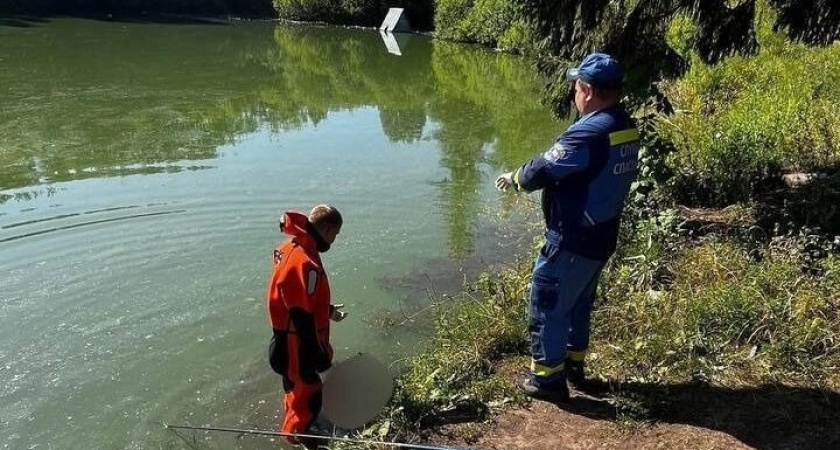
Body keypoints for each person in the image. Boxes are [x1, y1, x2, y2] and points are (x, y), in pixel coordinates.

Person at [495, 53, 640, 401]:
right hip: (601, 233)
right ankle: (574, 365)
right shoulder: (625, 124)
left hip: (572, 239)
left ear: (587, 91)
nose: (574, 94)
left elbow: (543, 170)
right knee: (577, 303)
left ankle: (547, 381)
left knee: (548, 302)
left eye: (576, 87)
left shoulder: (590, 132)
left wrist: (513, 178)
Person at [266, 204, 347, 447]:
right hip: (295, 344)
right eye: (335, 234)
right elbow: (301, 317)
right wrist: (318, 354)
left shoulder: (290, 248)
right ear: (327, 229)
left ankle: (297, 424)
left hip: (284, 340)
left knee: (296, 389)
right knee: (310, 392)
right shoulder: (305, 262)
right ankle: (296, 438)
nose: (334, 240)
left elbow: (295, 298)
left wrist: (328, 311)